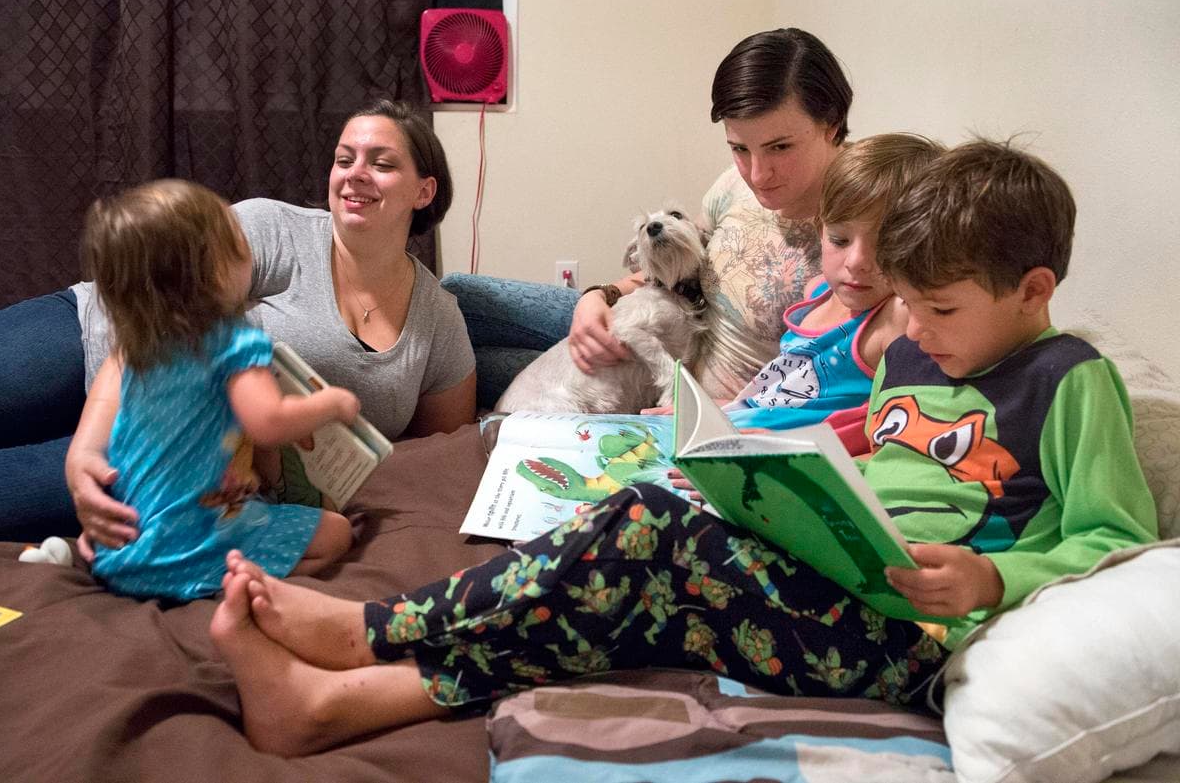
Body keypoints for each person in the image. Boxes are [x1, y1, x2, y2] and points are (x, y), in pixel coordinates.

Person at [209, 138, 1158, 756]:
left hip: (907, 639)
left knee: (649, 526)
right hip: (836, 581)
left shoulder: (1069, 380)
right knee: (626, 596)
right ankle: (347, 701)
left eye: (942, 309)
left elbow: (1114, 539)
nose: (920, 328)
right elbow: (875, 463)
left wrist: (992, 582)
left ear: (1034, 290)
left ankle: (372, 630)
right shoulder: (912, 352)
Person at [0, 99, 477, 544]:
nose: (355, 173)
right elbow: (153, 318)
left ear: (424, 191)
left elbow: (438, 452)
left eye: (382, 163)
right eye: (344, 159)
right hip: (87, 339)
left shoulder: (439, 320)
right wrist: (82, 447)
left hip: (165, 448)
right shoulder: (272, 231)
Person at [445, 27, 851, 402]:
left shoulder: (858, 227)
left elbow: (833, 381)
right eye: (740, 148)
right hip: (661, 316)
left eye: (780, 147)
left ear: (832, 124)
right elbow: (676, 261)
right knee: (462, 300)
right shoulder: (734, 184)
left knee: (488, 375)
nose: (757, 175)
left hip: (687, 383)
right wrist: (600, 296)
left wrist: (722, 415)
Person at [70, 179, 358, 600]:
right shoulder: (234, 343)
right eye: (240, 242)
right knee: (338, 534)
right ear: (213, 270)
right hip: (192, 546)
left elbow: (93, 447)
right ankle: (224, 582)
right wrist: (331, 403)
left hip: (122, 556)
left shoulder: (135, 352)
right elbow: (268, 424)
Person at [648, 132, 943, 461]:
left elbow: (896, 433)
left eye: (884, 244)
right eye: (840, 239)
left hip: (780, 466)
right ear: (821, 229)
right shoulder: (816, 292)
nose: (857, 262)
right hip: (733, 428)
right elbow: (783, 395)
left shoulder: (896, 317)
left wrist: (788, 449)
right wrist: (724, 410)